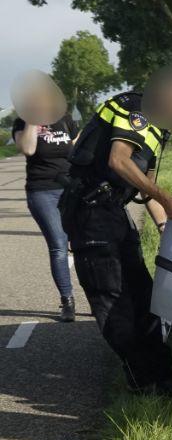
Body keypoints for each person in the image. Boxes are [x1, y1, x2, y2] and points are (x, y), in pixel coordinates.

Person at [60, 66, 172, 395]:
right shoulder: (136, 109)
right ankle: (143, 382)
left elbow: (147, 188)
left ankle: (163, 375)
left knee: (145, 297)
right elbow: (118, 160)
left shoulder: (158, 127)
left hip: (113, 213)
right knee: (115, 303)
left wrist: (169, 225)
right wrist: (166, 198)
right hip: (91, 213)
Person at [11, 76, 78, 321]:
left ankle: (98, 295)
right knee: (59, 245)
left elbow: (77, 151)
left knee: (82, 242)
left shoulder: (66, 120)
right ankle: (67, 300)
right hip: (42, 191)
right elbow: (28, 149)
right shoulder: (22, 122)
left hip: (70, 189)